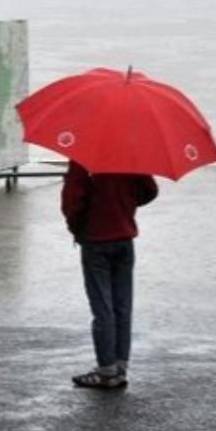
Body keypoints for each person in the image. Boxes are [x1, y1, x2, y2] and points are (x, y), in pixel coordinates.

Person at [61, 160, 158, 389]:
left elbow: (72, 202)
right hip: (124, 240)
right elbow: (150, 190)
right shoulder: (130, 157)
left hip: (95, 242)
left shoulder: (83, 159)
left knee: (102, 307)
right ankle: (120, 367)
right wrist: (125, 206)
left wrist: (77, 228)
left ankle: (106, 370)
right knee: (122, 306)